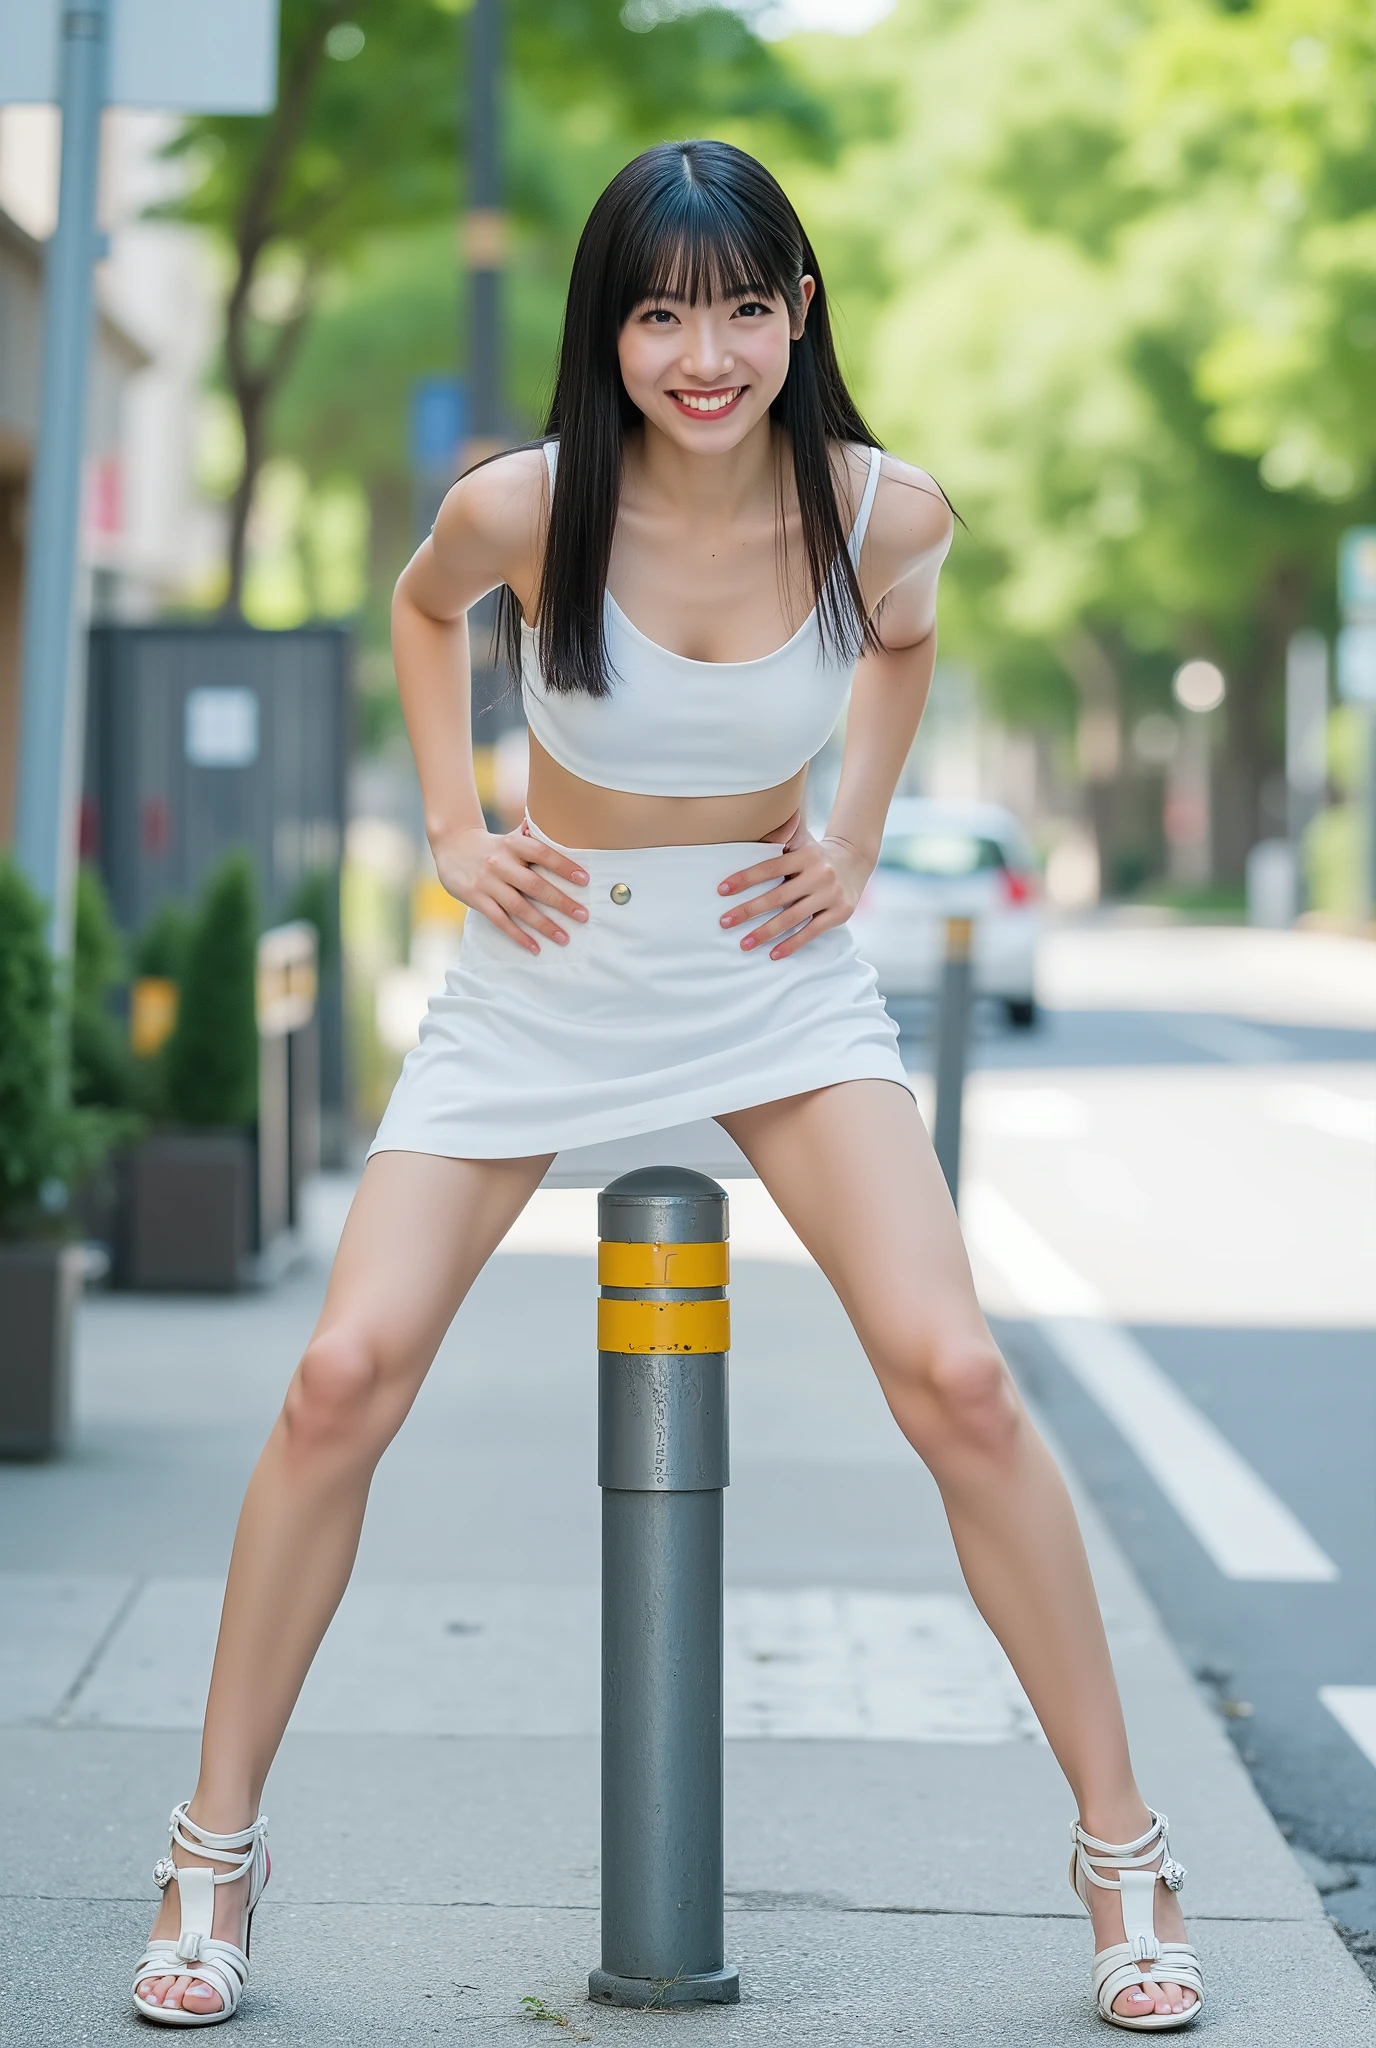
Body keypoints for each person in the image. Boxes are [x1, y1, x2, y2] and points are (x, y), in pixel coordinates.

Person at [131, 140, 1201, 2032]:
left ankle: (1123, 1851)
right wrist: (457, 831)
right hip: (549, 972)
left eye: (738, 307)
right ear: (606, 330)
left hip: (775, 980)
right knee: (337, 1380)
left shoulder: (887, 513)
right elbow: (413, 610)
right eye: (656, 311)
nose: (702, 353)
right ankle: (213, 1850)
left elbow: (910, 648)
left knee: (958, 1379)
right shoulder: (528, 506)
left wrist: (855, 841)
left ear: (799, 311)